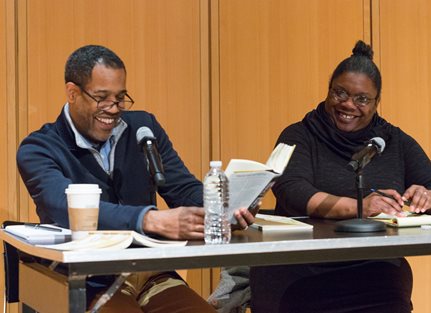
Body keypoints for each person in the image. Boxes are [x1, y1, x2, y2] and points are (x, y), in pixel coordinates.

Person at [16, 44, 255, 313]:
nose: (114, 109)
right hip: (88, 279)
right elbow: (61, 205)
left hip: (152, 272)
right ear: (72, 93)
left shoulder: (143, 128)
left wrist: (224, 207)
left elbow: (180, 187)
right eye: (102, 98)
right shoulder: (39, 148)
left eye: (120, 97)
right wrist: (149, 219)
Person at [249, 40, 431, 313]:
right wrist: (360, 207)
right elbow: (292, 191)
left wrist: (428, 197)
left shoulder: (393, 140)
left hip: (375, 269)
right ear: (328, 91)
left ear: (376, 102)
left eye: (362, 99)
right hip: (302, 269)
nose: (348, 105)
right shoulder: (299, 135)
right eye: (339, 93)